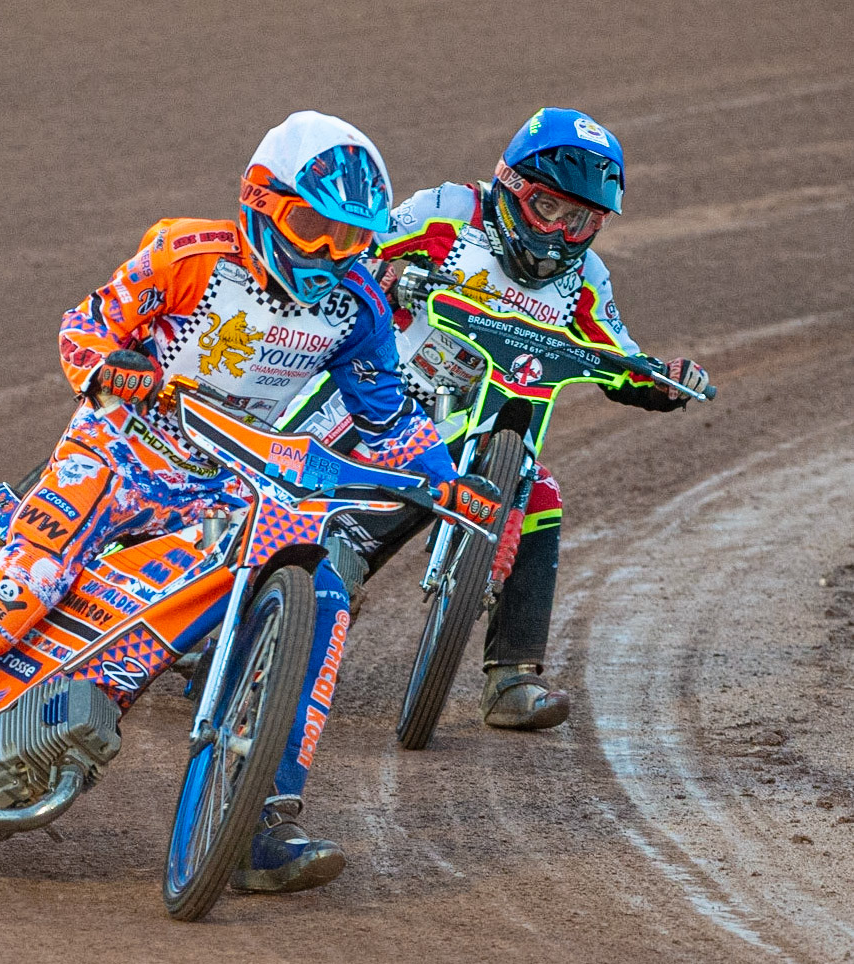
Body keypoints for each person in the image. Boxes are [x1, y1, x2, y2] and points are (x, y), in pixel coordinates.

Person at [0, 110, 498, 893]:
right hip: (118, 452)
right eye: (313, 228)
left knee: (324, 596)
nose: (330, 256)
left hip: (226, 485)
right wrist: (115, 363)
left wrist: (447, 482)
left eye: (351, 241)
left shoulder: (358, 309)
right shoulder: (185, 254)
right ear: (259, 201)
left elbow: (388, 419)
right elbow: (83, 327)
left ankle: (260, 820)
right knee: (26, 584)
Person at [279, 107, 711, 730]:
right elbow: (350, 249)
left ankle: (512, 676)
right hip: (378, 399)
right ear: (510, 186)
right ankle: (231, 603)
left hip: (481, 436)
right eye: (549, 208)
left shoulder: (585, 279)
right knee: (304, 521)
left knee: (538, 493)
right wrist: (385, 277)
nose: (563, 233)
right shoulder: (450, 212)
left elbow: (618, 354)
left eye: (583, 219)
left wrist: (663, 382)